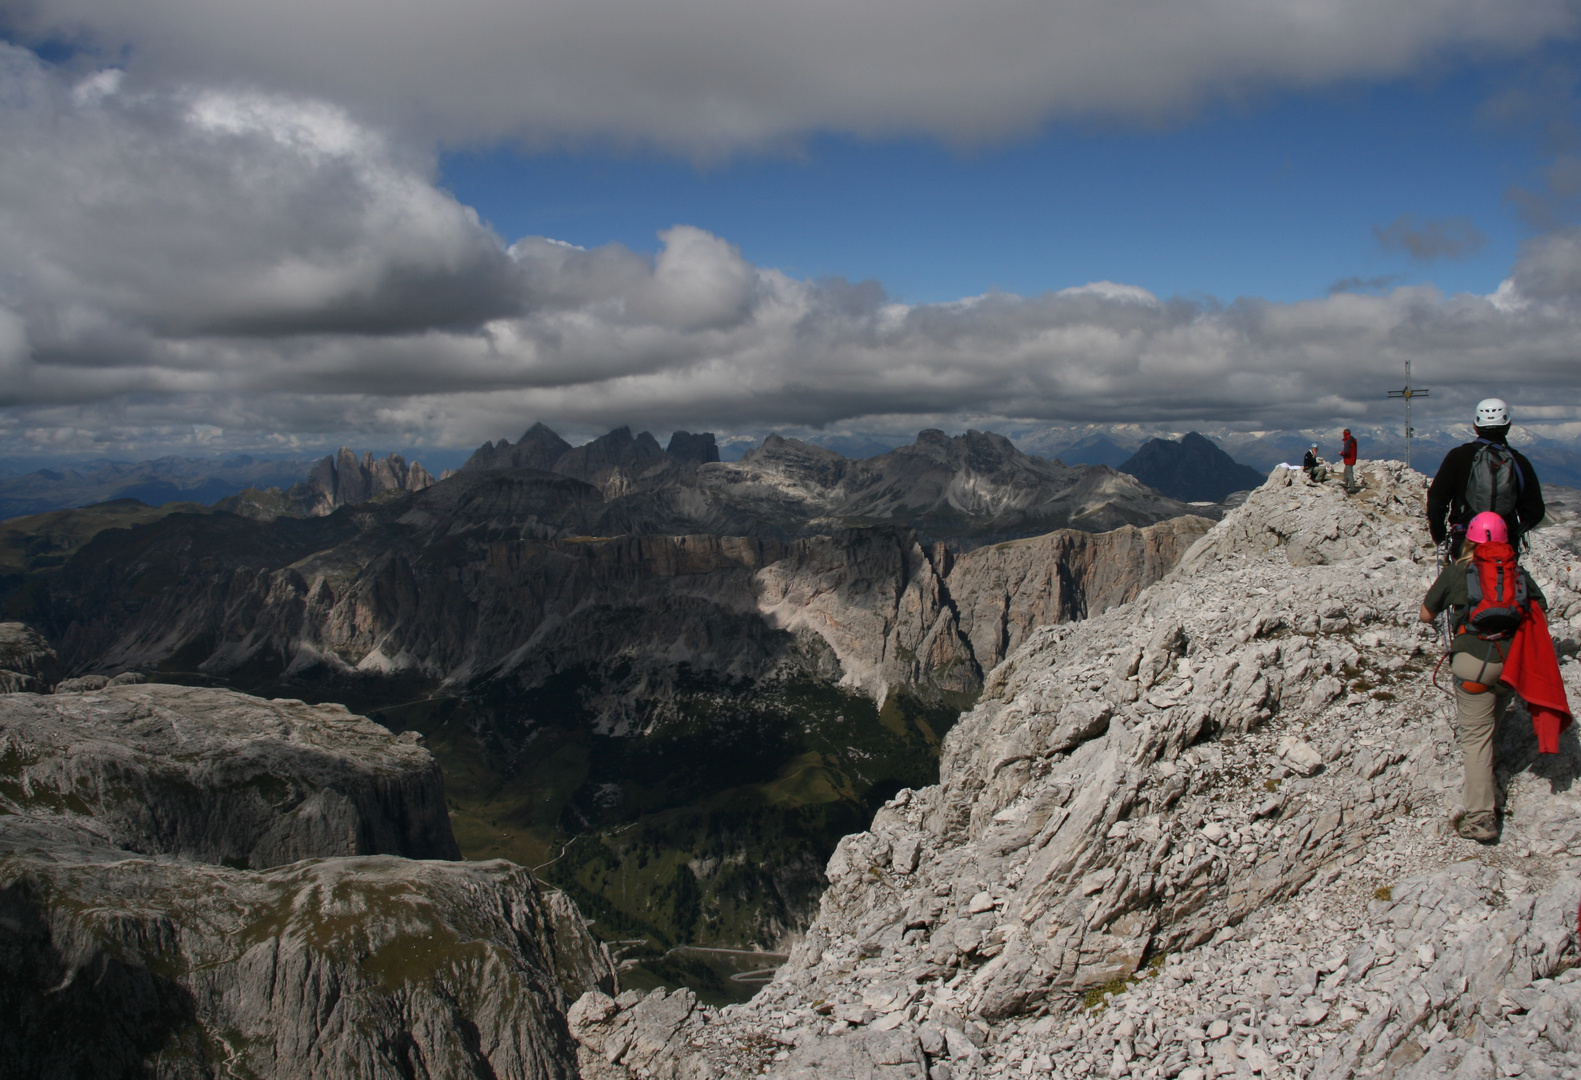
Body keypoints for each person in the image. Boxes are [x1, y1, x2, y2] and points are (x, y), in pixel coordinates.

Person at [1418, 512, 1548, 842]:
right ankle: (1492, 778)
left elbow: (1425, 614)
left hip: (1472, 664)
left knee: (1475, 740)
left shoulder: (1458, 570)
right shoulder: (1516, 572)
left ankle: (1480, 818)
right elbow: (1539, 607)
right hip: (1510, 665)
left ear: (1470, 539)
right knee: (1492, 721)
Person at [1427, 398, 1544, 556]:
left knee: (1460, 580)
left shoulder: (1458, 456)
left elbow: (1436, 499)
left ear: (1475, 426)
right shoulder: (1518, 461)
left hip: (1465, 541)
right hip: (1505, 545)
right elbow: (1535, 511)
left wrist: (1440, 535)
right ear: (1508, 425)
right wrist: (1515, 532)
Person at [1341, 428, 1359, 494]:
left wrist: (1341, 453)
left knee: (1349, 474)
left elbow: (1346, 451)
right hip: (1352, 458)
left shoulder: (1348, 441)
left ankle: (1352, 488)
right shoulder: (1352, 440)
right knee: (1346, 473)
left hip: (1349, 459)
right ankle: (1345, 485)